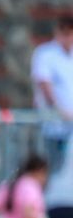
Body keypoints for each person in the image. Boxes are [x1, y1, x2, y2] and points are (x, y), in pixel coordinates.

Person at [30, 15, 73, 168]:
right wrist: (61, 111)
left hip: (70, 124)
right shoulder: (45, 53)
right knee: (52, 167)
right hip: (53, 123)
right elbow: (44, 84)